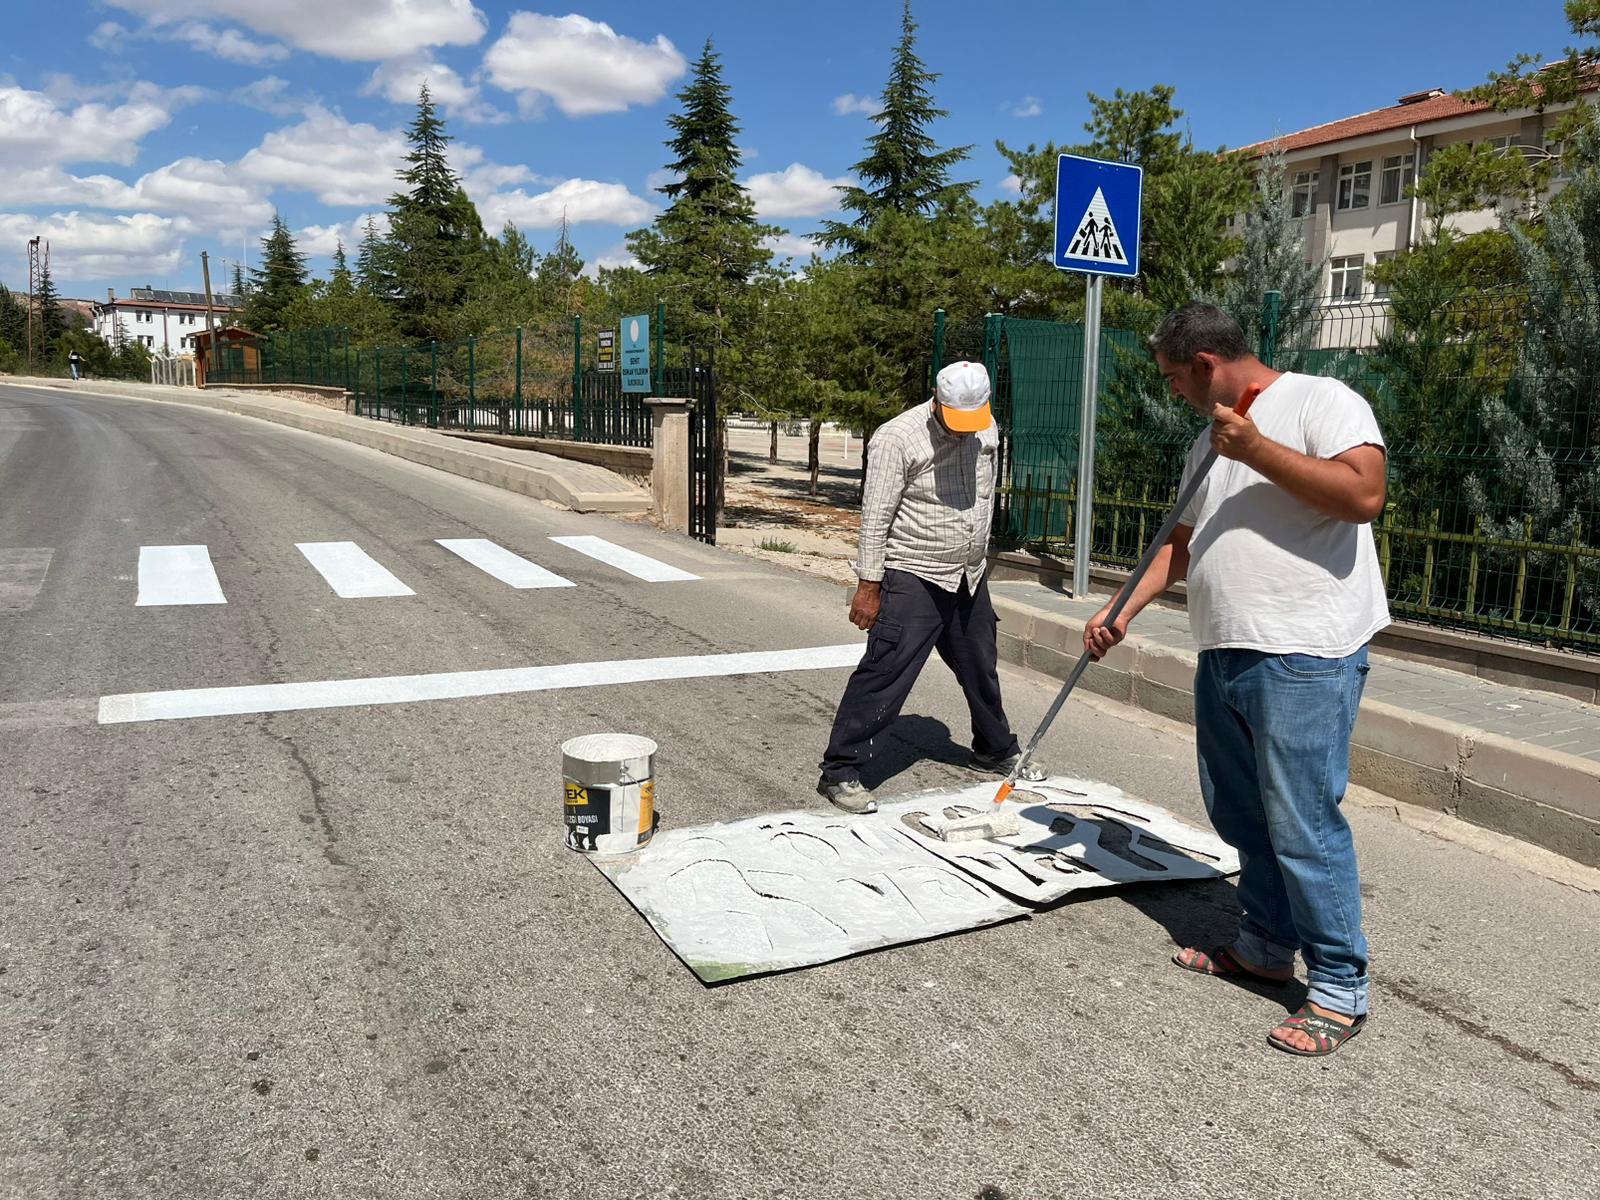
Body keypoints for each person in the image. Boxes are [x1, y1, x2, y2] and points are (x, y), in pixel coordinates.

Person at [1084, 304, 1388, 1058]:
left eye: (1173, 379)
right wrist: (1124, 606)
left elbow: (1363, 496)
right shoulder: (1207, 442)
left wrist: (1255, 449)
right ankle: (1262, 945)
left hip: (1305, 653)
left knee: (1303, 823)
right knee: (1241, 813)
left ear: (1205, 364)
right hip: (1224, 650)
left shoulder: (1323, 400)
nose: (1173, 393)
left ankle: (1341, 987)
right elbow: (1181, 545)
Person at [817, 361, 1046, 814]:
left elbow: (985, 493)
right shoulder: (897, 438)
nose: (964, 430)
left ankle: (994, 749)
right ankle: (840, 771)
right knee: (887, 669)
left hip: (968, 573)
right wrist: (869, 585)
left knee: (981, 664)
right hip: (914, 571)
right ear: (936, 400)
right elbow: (876, 515)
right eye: (954, 418)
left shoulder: (986, 429)